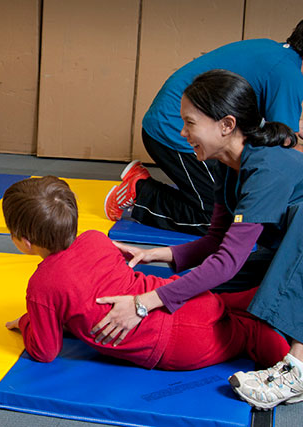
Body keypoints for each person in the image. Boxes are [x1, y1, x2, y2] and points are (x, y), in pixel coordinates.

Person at [93, 69, 303, 409]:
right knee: (204, 294)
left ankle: (298, 368)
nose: (182, 133)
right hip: (288, 255)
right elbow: (215, 242)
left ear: (226, 125)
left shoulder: (267, 169)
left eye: (190, 123)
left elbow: (225, 262)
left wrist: (143, 303)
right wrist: (153, 255)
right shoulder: (227, 165)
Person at [2, 176, 289, 371]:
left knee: (246, 335)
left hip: (177, 343)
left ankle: (288, 356)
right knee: (231, 305)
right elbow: (88, 292)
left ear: (24, 241)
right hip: (180, 296)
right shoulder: (95, 237)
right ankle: (277, 302)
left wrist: (27, 321)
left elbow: (45, 350)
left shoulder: (41, 287)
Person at [104, 19, 303, 236]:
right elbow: (282, 147)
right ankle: (140, 193)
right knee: (217, 219)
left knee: (231, 197)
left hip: (177, 121)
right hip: (175, 130)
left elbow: (279, 129)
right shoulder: (288, 75)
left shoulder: (274, 53)